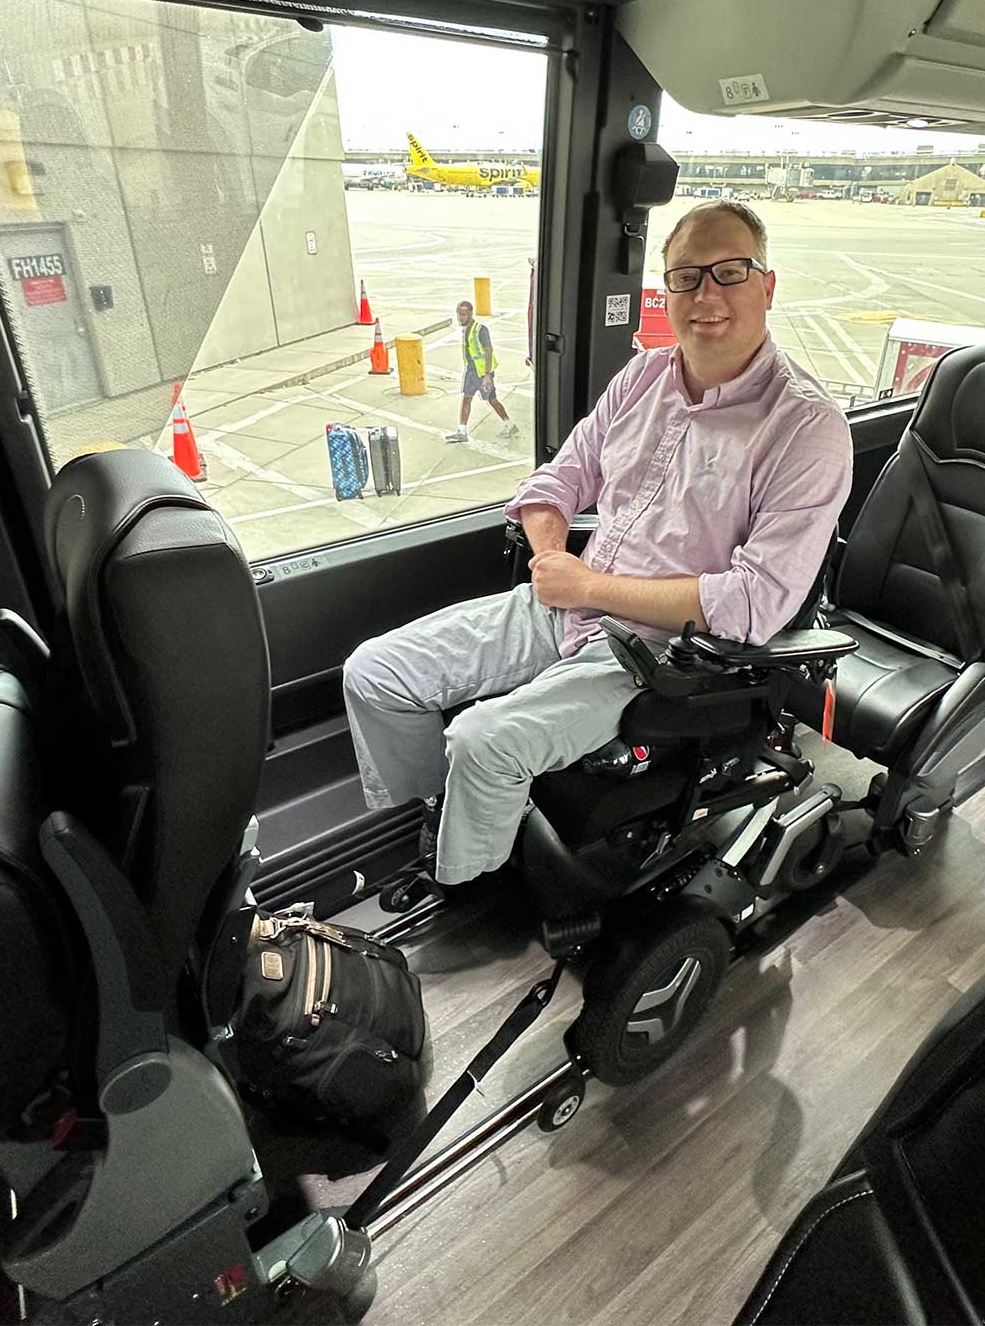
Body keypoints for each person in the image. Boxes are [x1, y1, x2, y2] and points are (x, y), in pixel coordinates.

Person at [344, 201, 853, 887]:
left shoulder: (805, 428)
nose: (706, 294)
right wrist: (554, 556)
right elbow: (557, 479)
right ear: (666, 291)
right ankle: (448, 807)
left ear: (767, 285)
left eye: (730, 272)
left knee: (482, 741)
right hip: (565, 604)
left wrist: (587, 587)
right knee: (374, 673)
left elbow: (753, 604)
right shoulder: (643, 377)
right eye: (686, 277)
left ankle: (470, 884)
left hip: (659, 653)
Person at [443, 300, 518, 443]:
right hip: (472, 371)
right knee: (467, 399)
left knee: (492, 400)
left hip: (482, 373)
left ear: (471, 314)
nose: (461, 318)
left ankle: (509, 424)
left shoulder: (480, 329)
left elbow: (489, 350)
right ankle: (462, 431)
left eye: (464, 314)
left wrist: (487, 375)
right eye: (459, 314)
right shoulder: (467, 329)